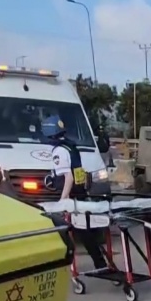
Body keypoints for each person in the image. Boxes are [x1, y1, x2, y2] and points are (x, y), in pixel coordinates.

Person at [41, 114, 108, 270]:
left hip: (72, 195)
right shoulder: (70, 146)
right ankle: (100, 263)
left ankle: (96, 263)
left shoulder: (59, 151)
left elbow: (68, 177)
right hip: (79, 192)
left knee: (74, 231)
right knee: (84, 231)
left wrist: (63, 201)